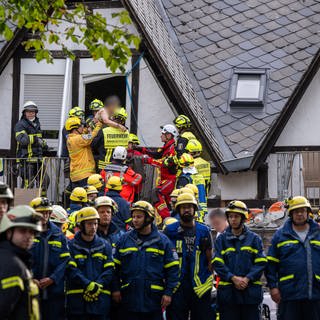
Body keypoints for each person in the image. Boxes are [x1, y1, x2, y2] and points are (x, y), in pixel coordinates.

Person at [112, 200, 179, 320]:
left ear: (149, 218)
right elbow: (114, 268)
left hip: (153, 301)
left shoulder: (163, 242)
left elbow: (173, 269)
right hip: (129, 299)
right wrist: (116, 289)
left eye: (139, 216)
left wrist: (168, 293)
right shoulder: (124, 240)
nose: (135, 220)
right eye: (133, 216)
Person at [266, 196, 320, 320]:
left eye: (303, 211)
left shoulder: (318, 232)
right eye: (296, 211)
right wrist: (273, 287)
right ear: (291, 213)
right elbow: (271, 264)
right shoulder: (280, 235)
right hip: (289, 294)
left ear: (308, 212)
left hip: (315, 293)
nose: (300, 214)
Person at [213, 200, 267, 320]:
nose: (233, 219)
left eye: (236, 216)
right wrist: (233, 278)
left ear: (243, 218)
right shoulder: (221, 240)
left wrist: (247, 278)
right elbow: (217, 262)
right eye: (230, 216)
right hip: (229, 296)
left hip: (250, 295)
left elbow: (261, 263)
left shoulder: (254, 239)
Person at [164, 193, 214, 320]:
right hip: (177, 287)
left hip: (200, 286)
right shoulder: (170, 230)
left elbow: (210, 259)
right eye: (183, 207)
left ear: (194, 209)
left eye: (189, 207)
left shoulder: (204, 230)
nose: (186, 210)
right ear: (178, 210)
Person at [66, 207, 114, 320]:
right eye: (89, 224)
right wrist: (88, 284)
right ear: (81, 225)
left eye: (95, 224)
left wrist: (98, 285)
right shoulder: (71, 246)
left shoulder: (105, 245)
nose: (93, 227)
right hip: (77, 304)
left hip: (100, 303)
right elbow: (71, 269)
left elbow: (110, 269)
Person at [29, 197, 70, 320]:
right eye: (41, 212)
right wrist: (31, 279)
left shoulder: (58, 234)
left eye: (47, 212)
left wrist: (52, 278)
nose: (45, 215)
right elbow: (20, 260)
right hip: (31, 292)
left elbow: (65, 261)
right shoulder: (26, 232)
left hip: (54, 294)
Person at [0, 205, 42, 319]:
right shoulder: (12, 265)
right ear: (9, 232)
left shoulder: (15, 260)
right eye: (22, 231)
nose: (29, 236)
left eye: (32, 232)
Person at [138, 124, 179, 220]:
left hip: (170, 179)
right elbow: (157, 154)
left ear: (168, 136)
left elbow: (164, 163)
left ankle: (166, 218)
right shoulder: (167, 147)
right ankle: (171, 218)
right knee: (168, 202)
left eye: (163, 134)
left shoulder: (172, 149)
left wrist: (148, 160)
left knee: (156, 193)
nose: (161, 136)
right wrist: (141, 149)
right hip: (166, 179)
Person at [15, 101, 49, 188]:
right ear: (24, 113)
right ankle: (24, 201)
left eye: (33, 112)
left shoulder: (37, 124)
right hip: (26, 160)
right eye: (28, 111)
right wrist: (35, 139)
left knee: (45, 181)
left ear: (36, 113)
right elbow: (22, 140)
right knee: (28, 183)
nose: (31, 114)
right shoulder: (20, 124)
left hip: (38, 160)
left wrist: (44, 145)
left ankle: (41, 200)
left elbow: (40, 139)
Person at [65, 116, 102, 188]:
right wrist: (98, 126)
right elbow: (90, 136)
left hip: (76, 175)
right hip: (84, 175)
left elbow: (84, 133)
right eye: (80, 126)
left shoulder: (71, 138)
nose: (82, 127)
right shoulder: (77, 139)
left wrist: (89, 125)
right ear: (75, 128)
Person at [176, 153, 207, 222]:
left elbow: (180, 194)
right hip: (201, 207)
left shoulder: (184, 178)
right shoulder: (199, 176)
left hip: (189, 206)